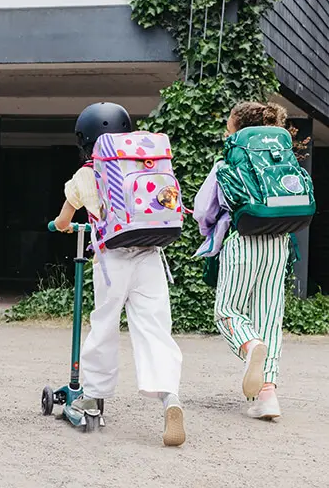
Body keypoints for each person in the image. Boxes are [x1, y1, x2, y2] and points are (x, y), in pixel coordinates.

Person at [52, 102, 186, 447]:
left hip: (111, 261)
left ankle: (94, 399)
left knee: (105, 325)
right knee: (155, 328)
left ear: (85, 139)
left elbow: (65, 219)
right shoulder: (145, 162)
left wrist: (62, 226)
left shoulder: (86, 174)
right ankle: (169, 397)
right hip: (151, 255)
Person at [194, 101, 291, 419]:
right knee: (269, 318)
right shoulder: (279, 156)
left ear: (237, 130)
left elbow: (202, 211)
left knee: (227, 312)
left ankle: (250, 346)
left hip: (243, 241)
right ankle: (268, 397)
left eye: (228, 126)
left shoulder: (230, 161)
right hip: (279, 242)